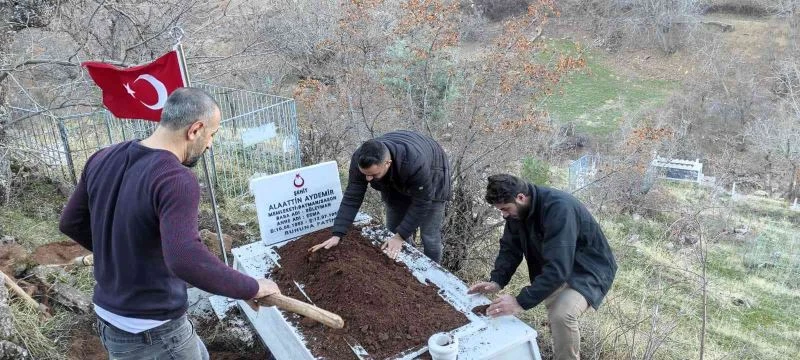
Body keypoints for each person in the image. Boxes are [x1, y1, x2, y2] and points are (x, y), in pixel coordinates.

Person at [59, 87, 280, 360]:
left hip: (109, 317)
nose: (210, 144)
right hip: (152, 331)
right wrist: (251, 287)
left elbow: (71, 222)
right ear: (195, 129)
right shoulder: (175, 178)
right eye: (212, 135)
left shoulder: (102, 157)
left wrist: (122, 254)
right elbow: (185, 257)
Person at [468, 174, 617, 360]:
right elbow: (510, 247)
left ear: (520, 197)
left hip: (589, 268)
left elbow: (558, 268)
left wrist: (520, 302)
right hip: (559, 263)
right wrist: (497, 280)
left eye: (505, 208)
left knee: (562, 314)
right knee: (555, 310)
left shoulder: (559, 208)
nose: (504, 215)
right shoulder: (517, 212)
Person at [309, 130, 451, 263]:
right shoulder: (361, 159)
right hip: (394, 178)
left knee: (429, 236)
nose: (369, 179)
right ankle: (406, 265)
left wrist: (400, 237)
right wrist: (337, 234)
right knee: (393, 230)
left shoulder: (415, 163)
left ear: (387, 164)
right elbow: (352, 197)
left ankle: (434, 277)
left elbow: (421, 203)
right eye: (365, 174)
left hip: (432, 172)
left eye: (373, 174)